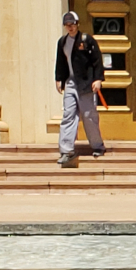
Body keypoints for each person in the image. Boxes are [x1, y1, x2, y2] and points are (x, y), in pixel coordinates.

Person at [54, 10, 106, 167]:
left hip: (86, 83)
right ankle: (66, 150)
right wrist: (59, 79)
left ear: (77, 24)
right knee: (68, 115)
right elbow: (60, 62)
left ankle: (97, 146)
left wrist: (98, 79)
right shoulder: (62, 42)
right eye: (67, 24)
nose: (70, 27)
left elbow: (97, 60)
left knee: (89, 115)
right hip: (70, 83)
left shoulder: (87, 40)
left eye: (73, 24)